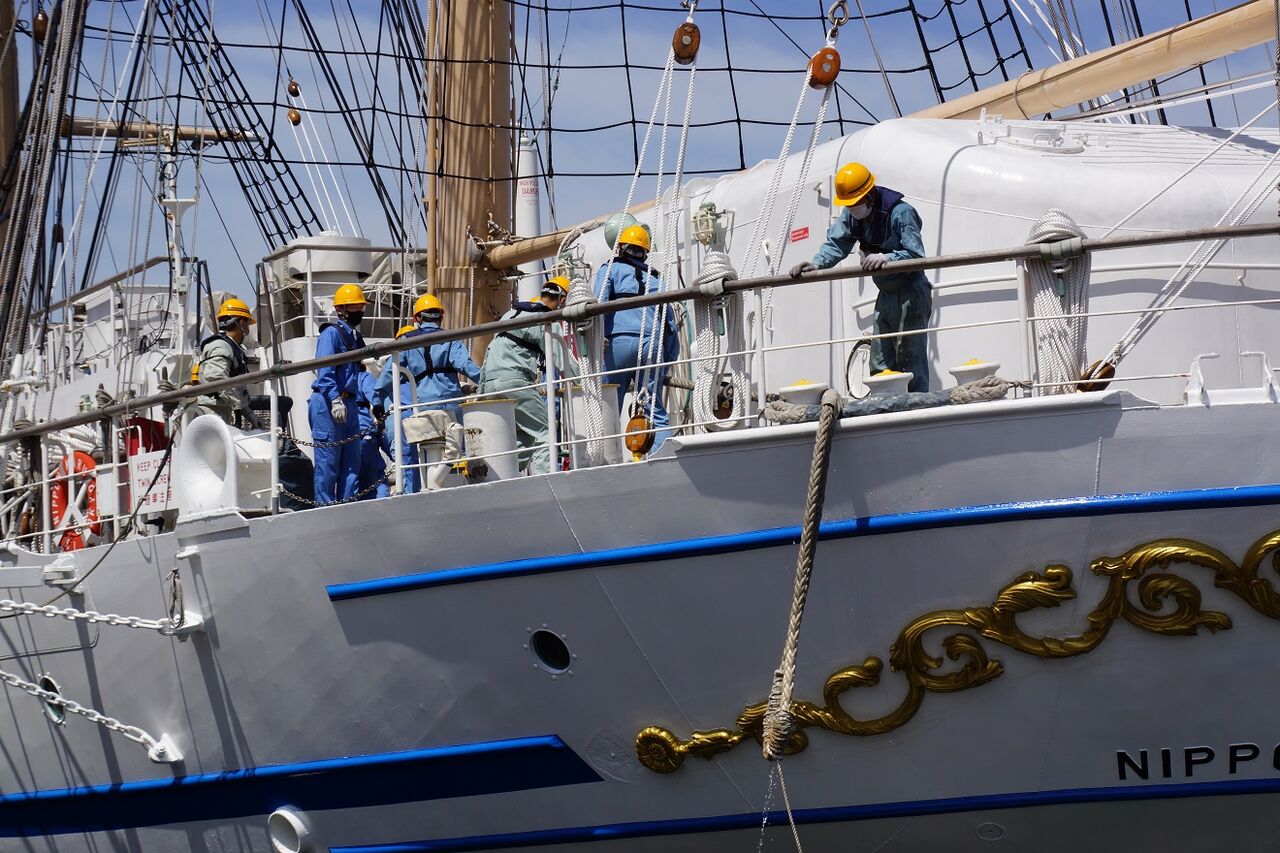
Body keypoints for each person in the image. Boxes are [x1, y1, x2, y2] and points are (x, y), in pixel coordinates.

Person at [790, 162, 933, 391]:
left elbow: (916, 254)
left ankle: (917, 407)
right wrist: (816, 263)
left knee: (910, 355)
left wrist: (888, 259)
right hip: (885, 293)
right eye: (849, 203)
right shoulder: (852, 215)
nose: (853, 207)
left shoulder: (901, 213)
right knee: (880, 359)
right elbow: (837, 244)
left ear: (870, 195)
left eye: (855, 202)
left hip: (911, 292)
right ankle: (884, 403)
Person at [593, 225, 680, 447]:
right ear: (645, 253)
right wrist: (667, 360)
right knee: (654, 407)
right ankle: (663, 457)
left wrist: (597, 340)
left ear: (620, 247)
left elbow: (597, 304)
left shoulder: (610, 269)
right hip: (652, 343)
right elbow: (670, 324)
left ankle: (607, 459)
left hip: (618, 343)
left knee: (610, 403)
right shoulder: (656, 280)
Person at [478, 278, 577, 475]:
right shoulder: (546, 319)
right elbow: (563, 361)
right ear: (562, 299)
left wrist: (481, 394)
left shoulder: (509, 313)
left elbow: (490, 350)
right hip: (514, 382)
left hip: (489, 384)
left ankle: (507, 474)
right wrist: (586, 381)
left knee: (526, 434)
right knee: (546, 431)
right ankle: (545, 481)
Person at [376, 293, 480, 423]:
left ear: (417, 319)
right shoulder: (451, 338)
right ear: (441, 317)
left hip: (424, 404)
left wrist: (377, 400)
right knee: (456, 441)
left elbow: (390, 371)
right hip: (451, 401)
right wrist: (485, 382)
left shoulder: (406, 341)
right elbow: (465, 364)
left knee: (429, 443)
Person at [309, 283, 367, 504]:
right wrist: (334, 399)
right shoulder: (331, 334)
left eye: (361, 307)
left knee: (352, 462)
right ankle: (324, 507)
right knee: (328, 462)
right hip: (328, 402)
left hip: (349, 403)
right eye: (354, 307)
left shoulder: (353, 338)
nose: (359, 311)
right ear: (341, 309)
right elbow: (325, 370)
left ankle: (347, 506)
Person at [190, 297, 254, 425]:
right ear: (241, 323)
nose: (248, 328)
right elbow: (216, 378)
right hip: (212, 413)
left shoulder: (230, 346)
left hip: (221, 411)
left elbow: (233, 385)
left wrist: (248, 413)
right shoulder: (221, 346)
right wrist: (238, 405)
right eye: (247, 323)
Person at [375, 325, 422, 496]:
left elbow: (377, 390)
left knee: (404, 458)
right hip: (415, 415)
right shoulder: (418, 367)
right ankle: (413, 490)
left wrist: (377, 404)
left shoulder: (392, 366)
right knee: (418, 457)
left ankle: (409, 492)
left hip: (398, 419)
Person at [355, 364, 385, 500]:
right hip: (363, 432)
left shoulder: (339, 380)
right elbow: (376, 398)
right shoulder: (363, 377)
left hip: (343, 435)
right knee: (377, 479)